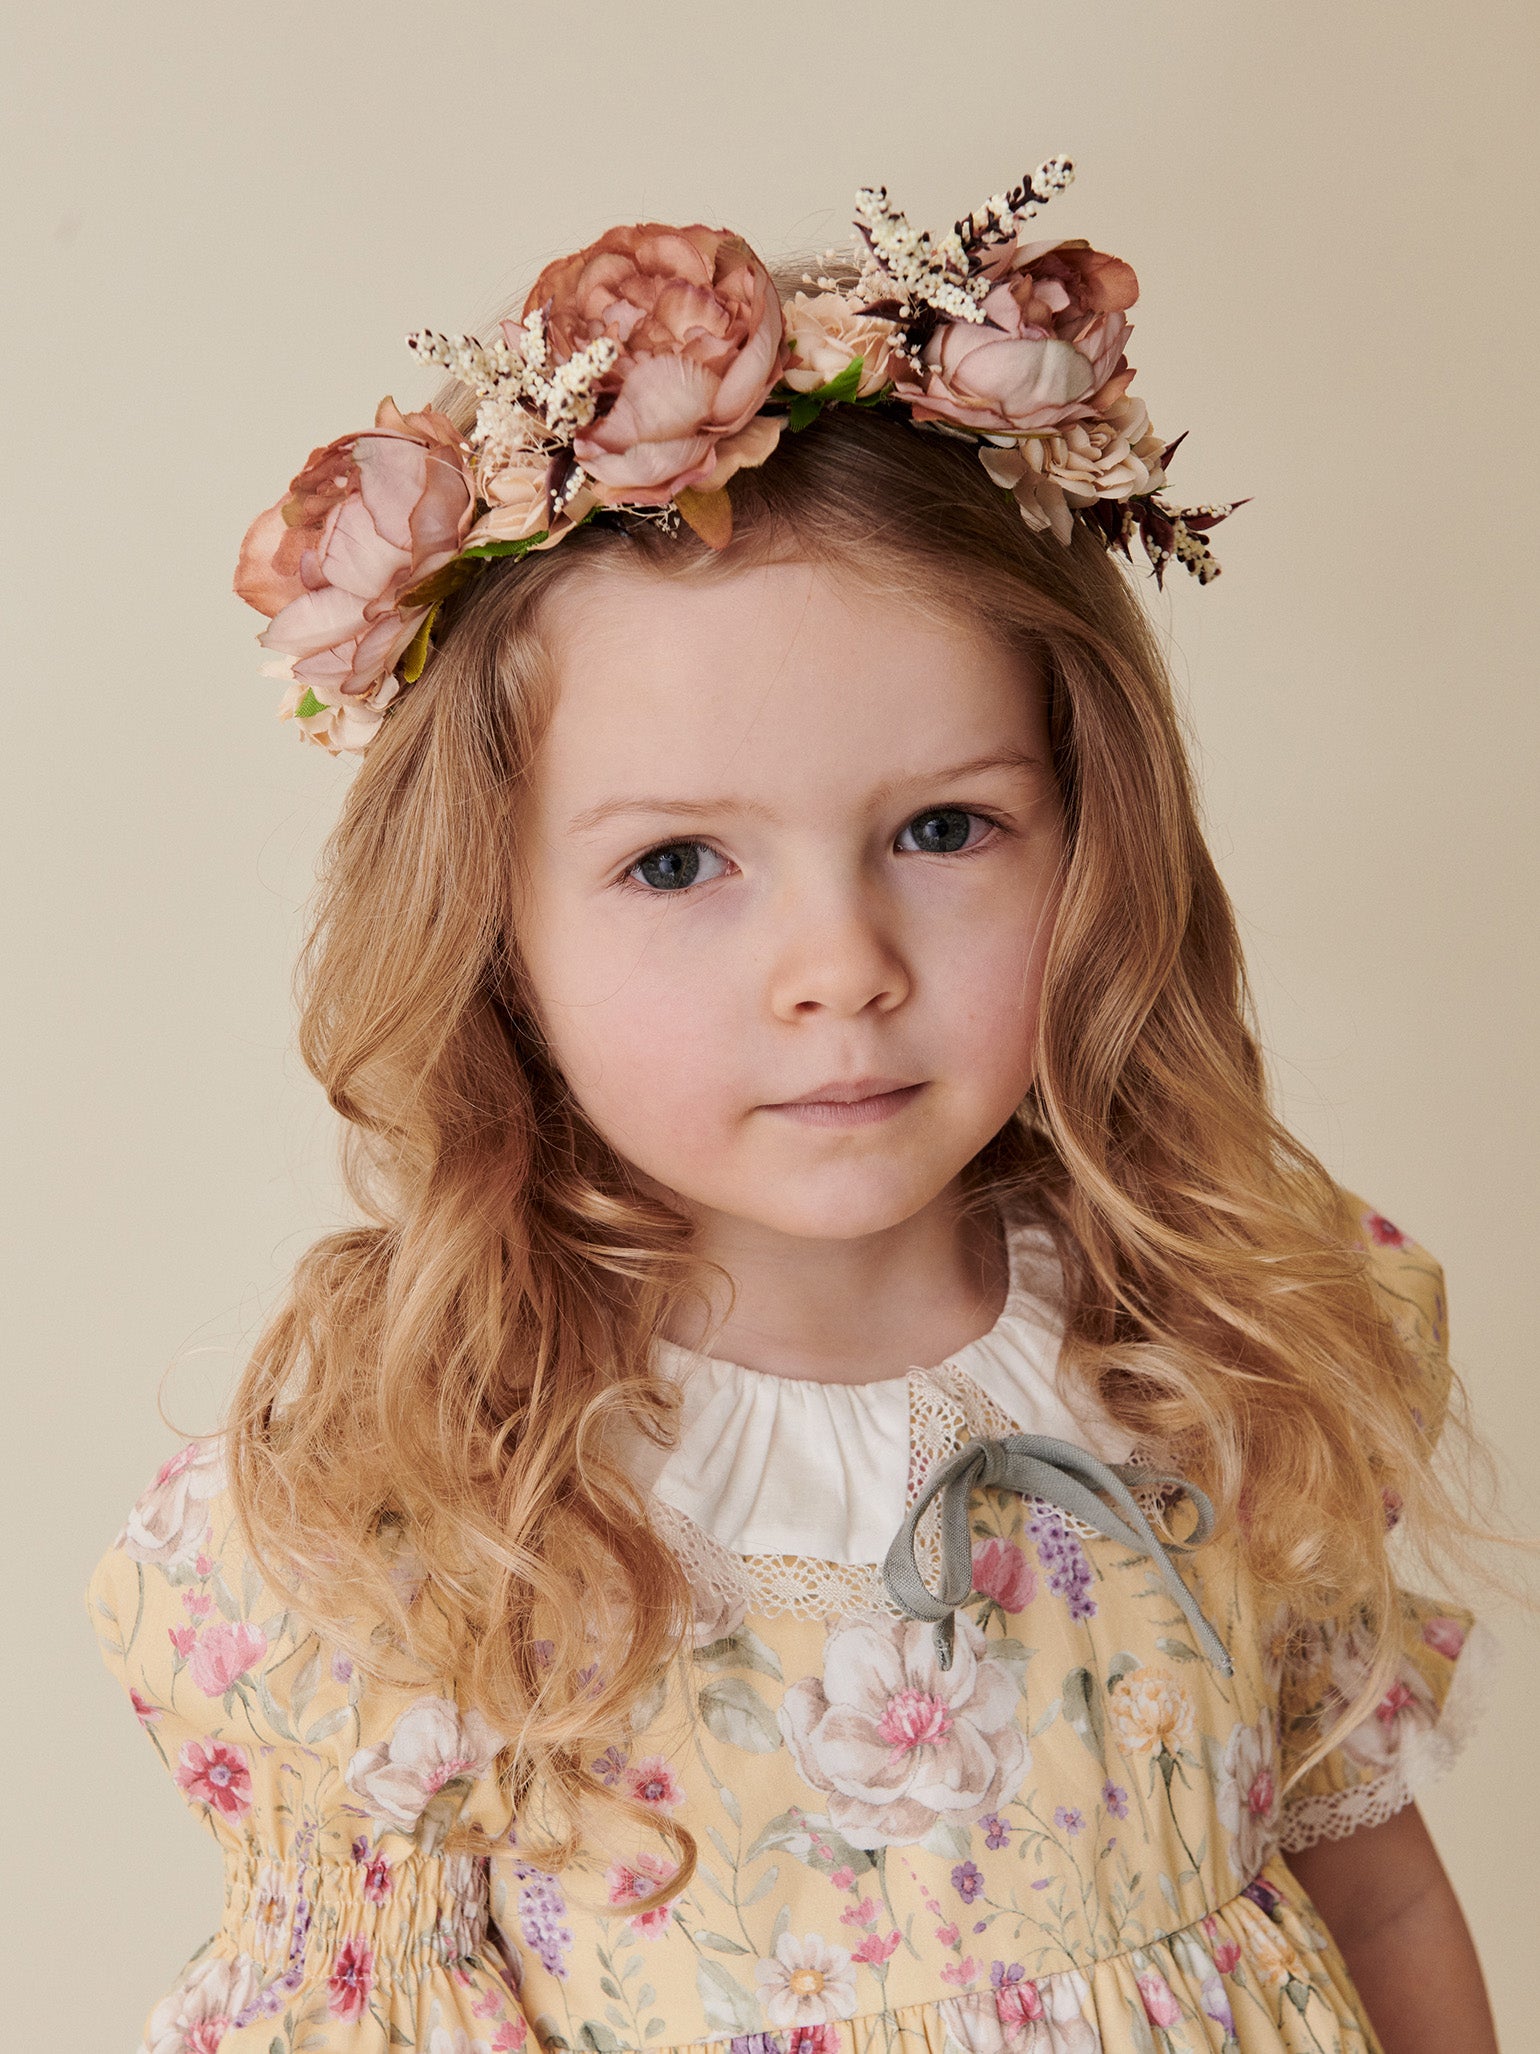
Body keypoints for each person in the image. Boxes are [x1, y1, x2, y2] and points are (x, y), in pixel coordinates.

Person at [88, 160, 1501, 2054]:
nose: (839, 964)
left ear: (1095, 841)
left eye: (941, 829)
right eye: (680, 865)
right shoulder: (431, 1504)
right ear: (494, 926)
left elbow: (1380, 1889)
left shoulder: (1213, 1354)